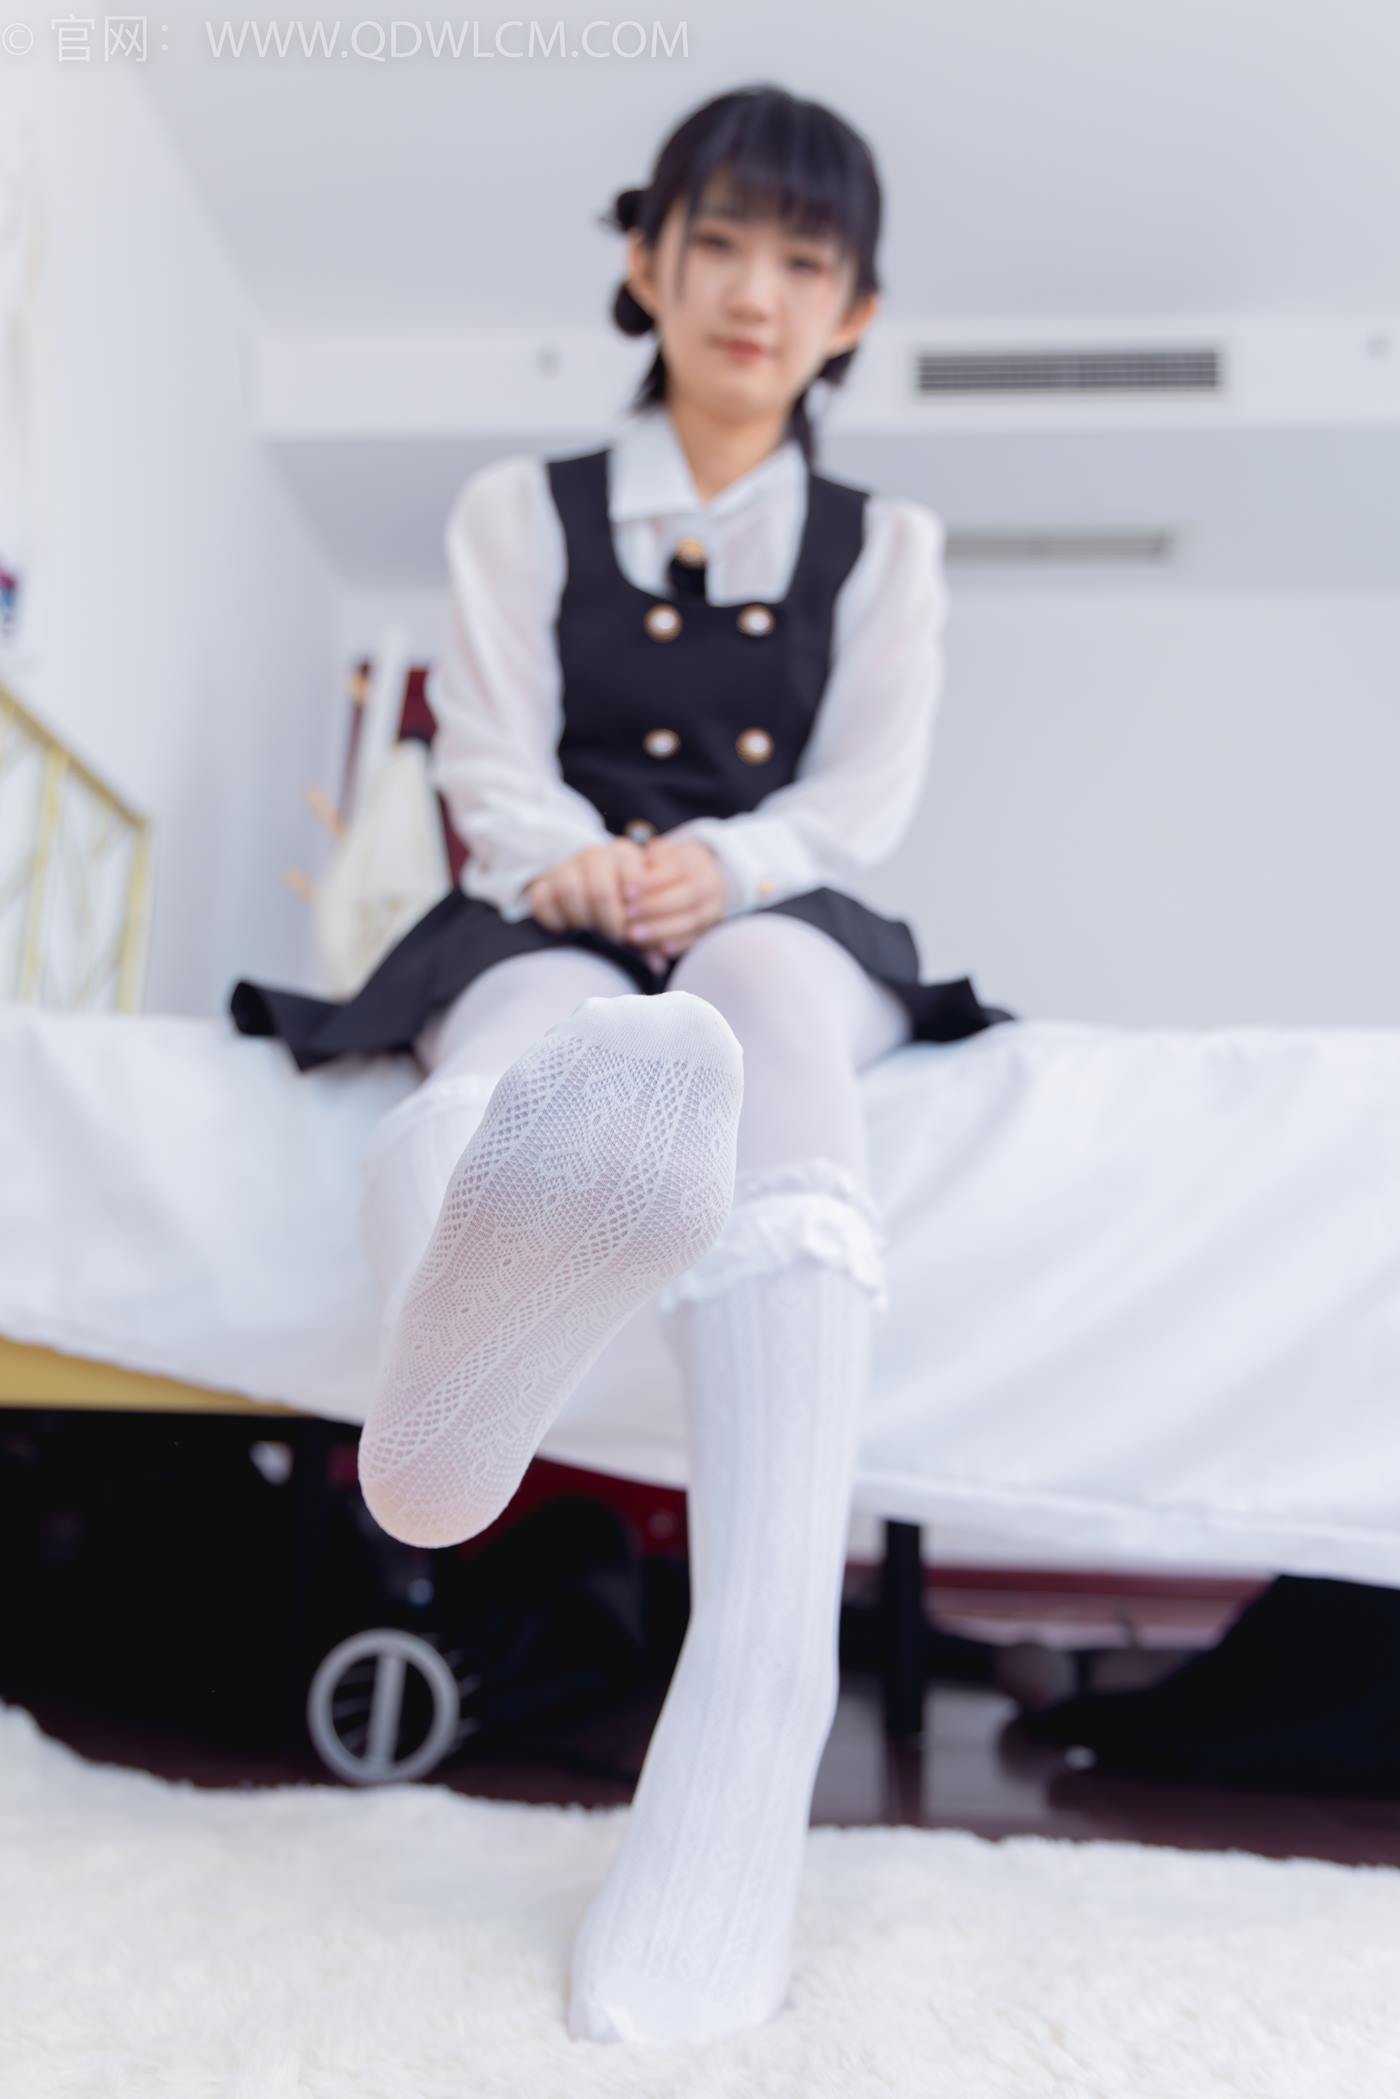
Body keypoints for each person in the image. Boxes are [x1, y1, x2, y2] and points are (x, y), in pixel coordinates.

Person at [229, 83, 1016, 2046]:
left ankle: (757, 1696)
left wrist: (721, 866)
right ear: (646, 264)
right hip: (549, 890)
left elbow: (862, 797)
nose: (754, 292)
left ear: (853, 312)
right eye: (717, 243)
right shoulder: (523, 509)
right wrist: (567, 862)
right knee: (532, 1021)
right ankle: (450, 1375)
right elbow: (490, 751)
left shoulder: (887, 547)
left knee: (756, 1000)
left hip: (769, 905)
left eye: (803, 262)